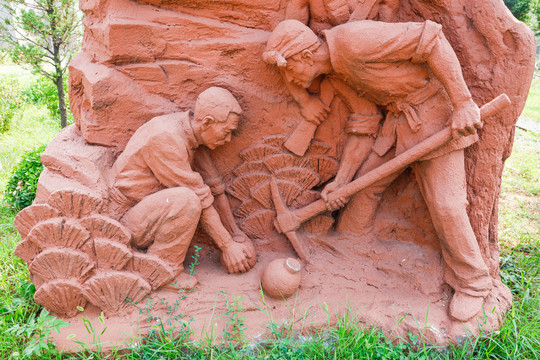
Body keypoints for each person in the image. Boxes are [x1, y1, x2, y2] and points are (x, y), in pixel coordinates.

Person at [263, 19, 492, 321]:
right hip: (398, 125)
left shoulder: (353, 40)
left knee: (447, 205)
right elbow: (364, 124)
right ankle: (355, 258)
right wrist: (342, 183)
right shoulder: (337, 71)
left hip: (436, 117)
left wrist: (463, 102)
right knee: (362, 193)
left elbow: (433, 38)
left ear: (305, 56)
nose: (289, 79)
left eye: (287, 69)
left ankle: (474, 284)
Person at [109, 87, 256, 290]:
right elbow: (200, 198)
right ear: (207, 123)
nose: (228, 139)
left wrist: (236, 234)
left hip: (145, 212)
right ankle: (161, 271)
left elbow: (213, 188)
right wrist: (228, 246)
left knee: (188, 197)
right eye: (227, 131)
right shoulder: (166, 138)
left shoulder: (191, 135)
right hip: (124, 221)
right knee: (186, 200)